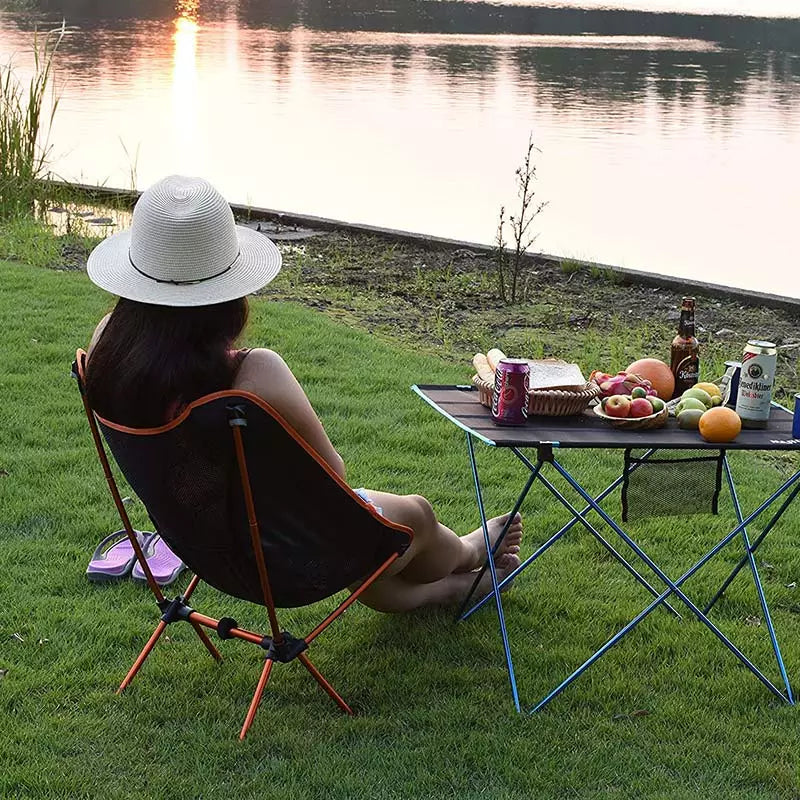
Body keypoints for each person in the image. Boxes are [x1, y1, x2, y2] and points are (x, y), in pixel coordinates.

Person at [84, 175, 523, 612]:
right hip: (292, 564)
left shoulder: (108, 351)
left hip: (204, 551)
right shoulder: (255, 373)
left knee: (368, 542)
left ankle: (451, 590)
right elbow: (333, 472)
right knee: (415, 517)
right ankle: (470, 551)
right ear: (227, 291)